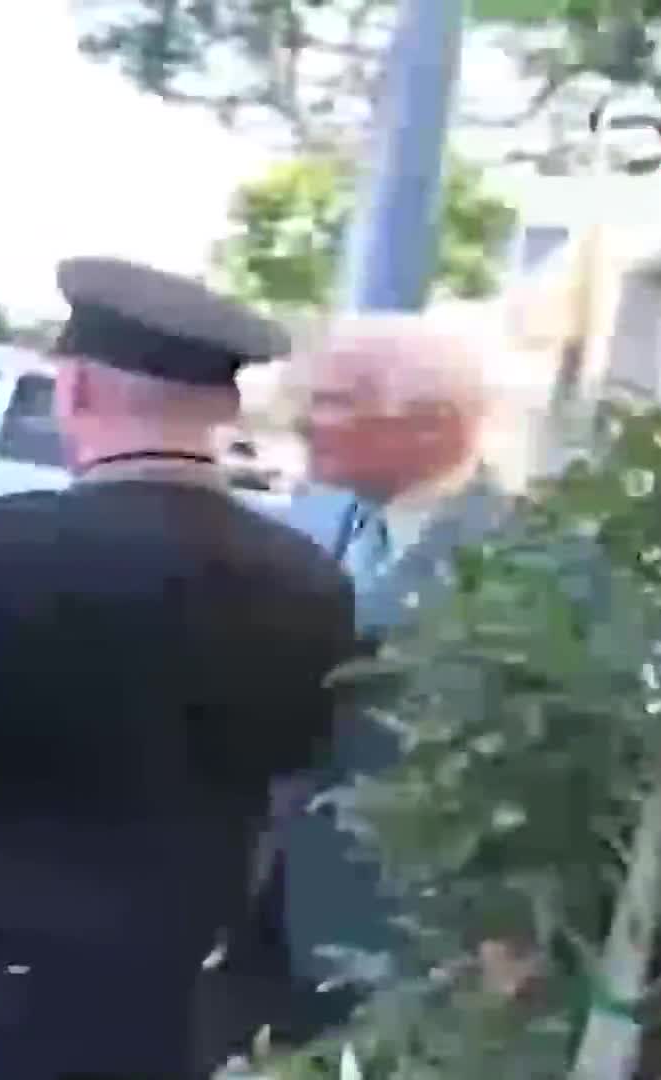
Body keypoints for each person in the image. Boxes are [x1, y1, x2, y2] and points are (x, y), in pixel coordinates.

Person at [0, 256, 359, 1080]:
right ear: (226, 407)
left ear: (76, 390)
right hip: (171, 984)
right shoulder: (310, 578)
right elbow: (299, 754)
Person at [242, 311, 521, 1052]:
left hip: (410, 944)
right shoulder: (320, 518)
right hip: (272, 916)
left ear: (431, 423)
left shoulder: (531, 558)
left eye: (336, 401)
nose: (307, 420)